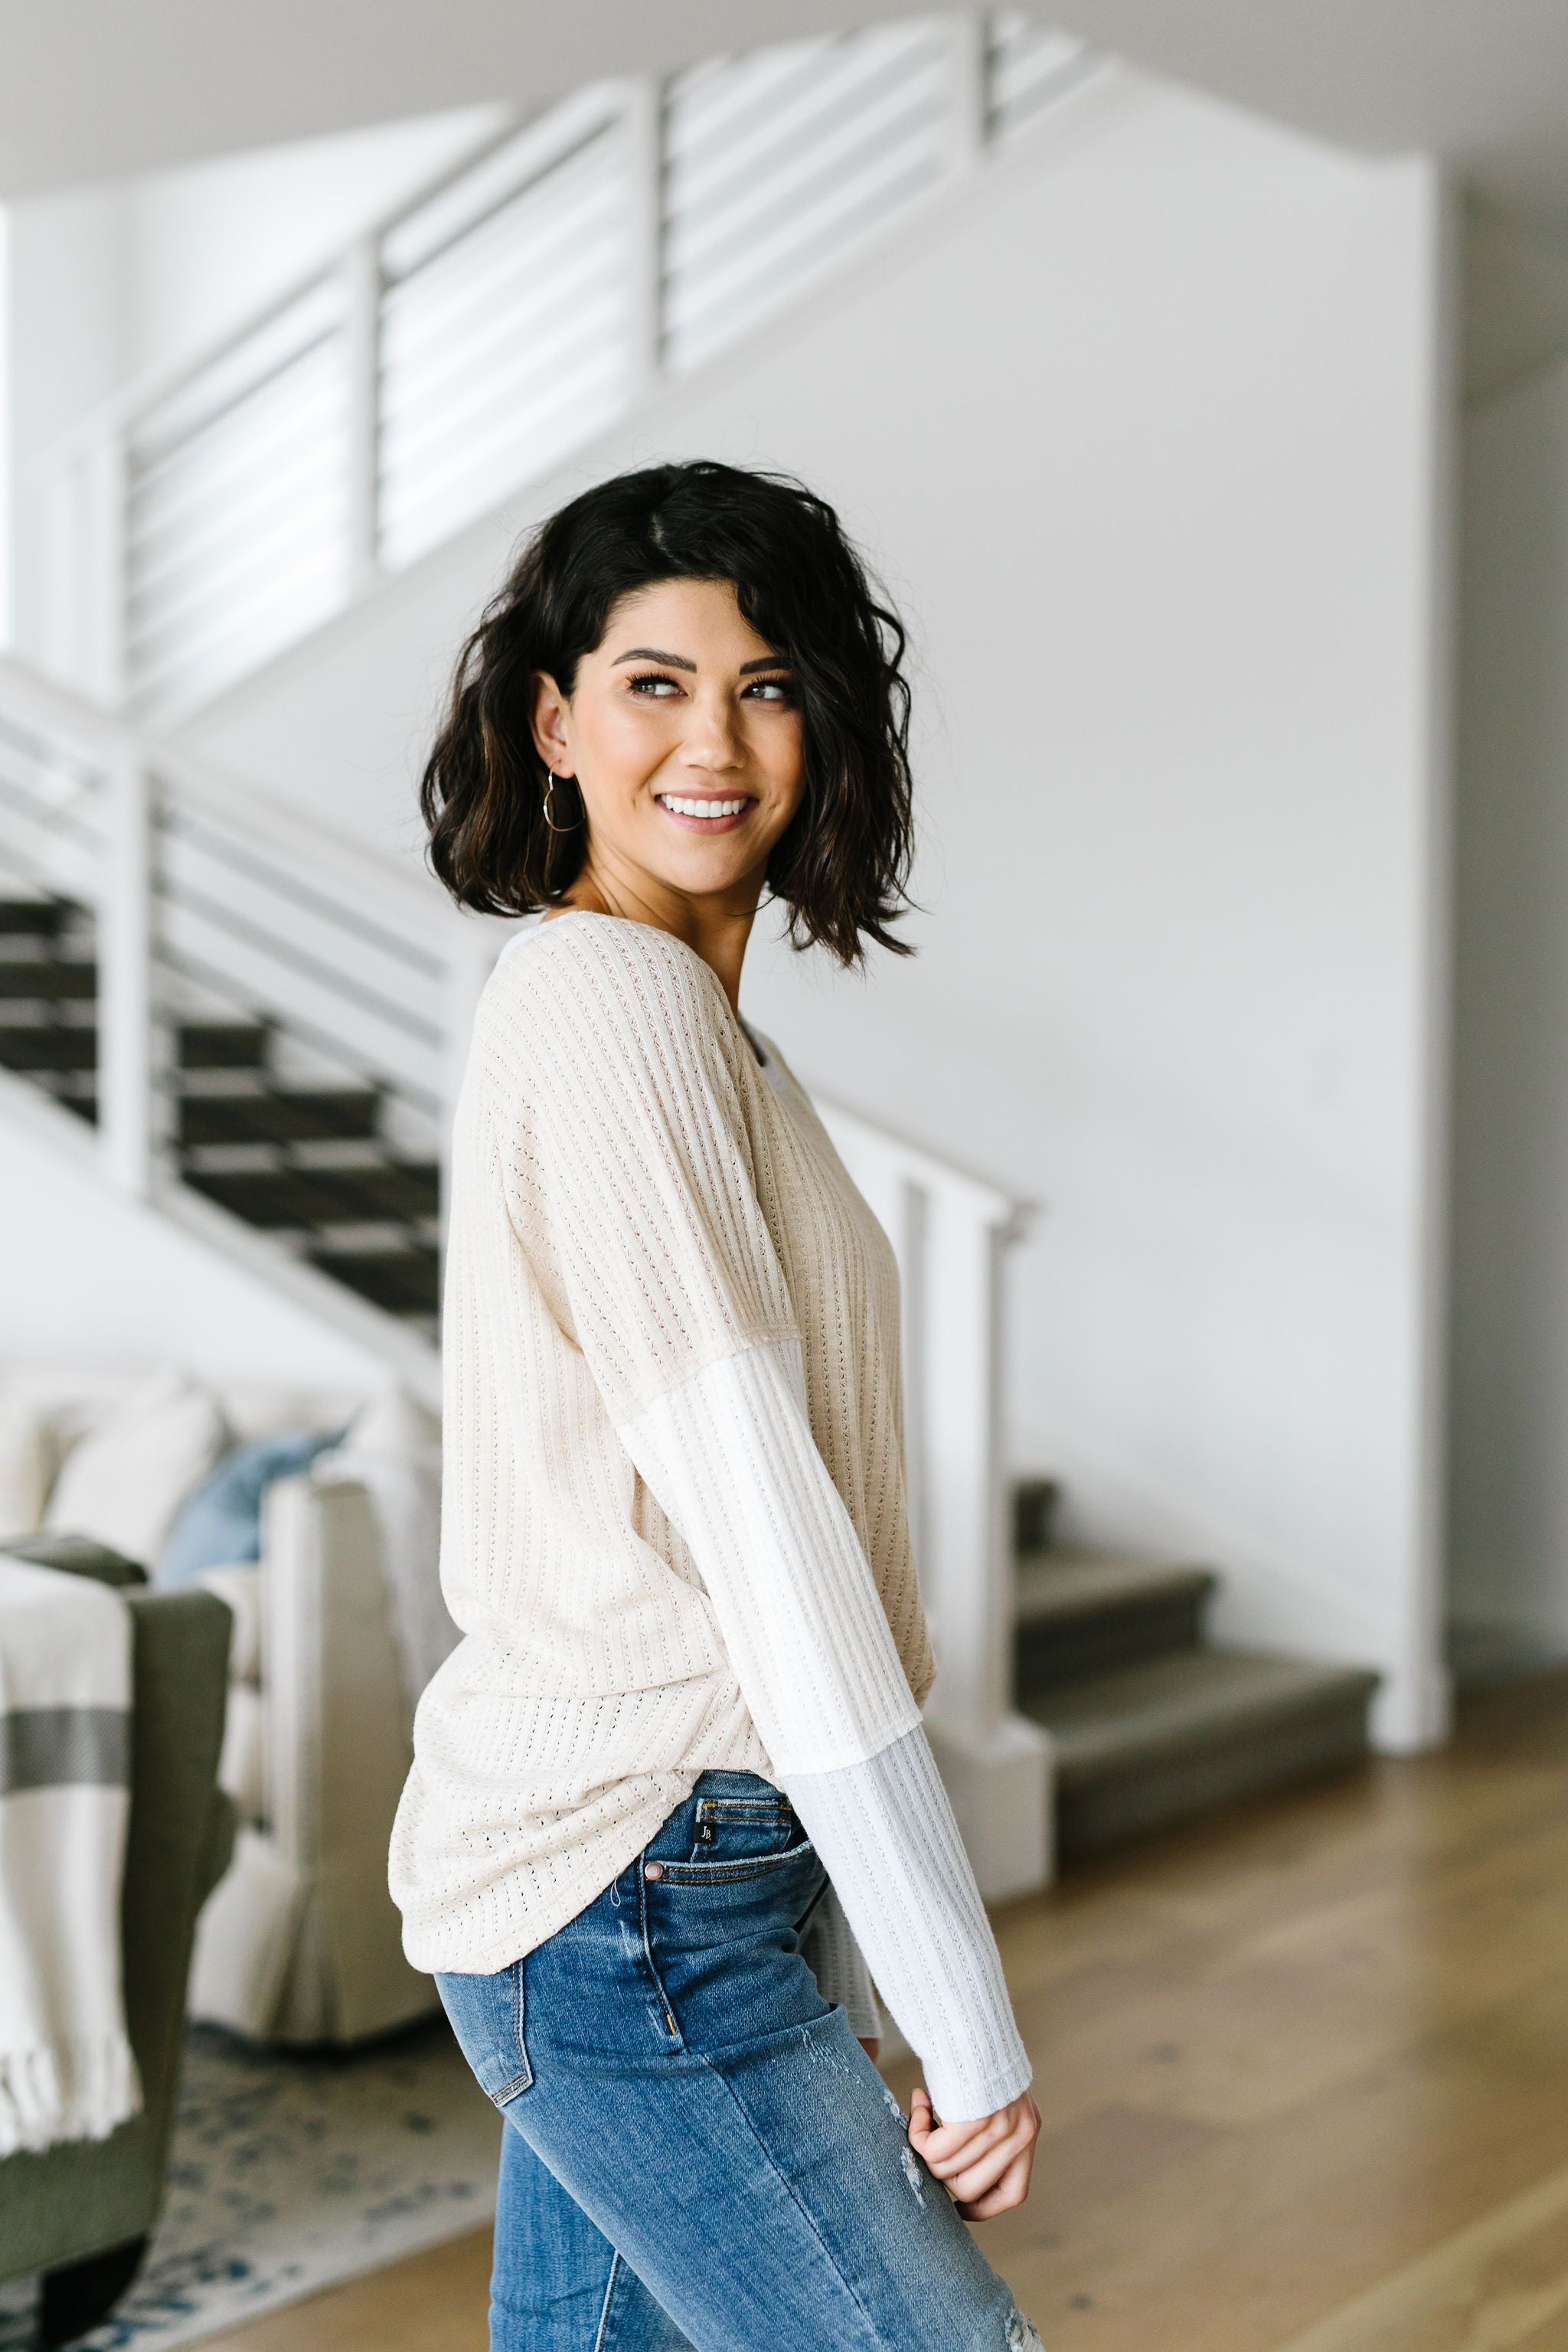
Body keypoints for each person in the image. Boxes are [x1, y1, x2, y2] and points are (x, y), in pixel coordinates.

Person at [389, 459, 1044, 2350]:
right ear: (554, 720)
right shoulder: (608, 1007)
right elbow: (764, 1529)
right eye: (655, 681)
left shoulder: (698, 1028)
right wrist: (957, 1995)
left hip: (650, 1873)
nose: (718, 737)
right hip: (631, 1893)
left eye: (766, 683)